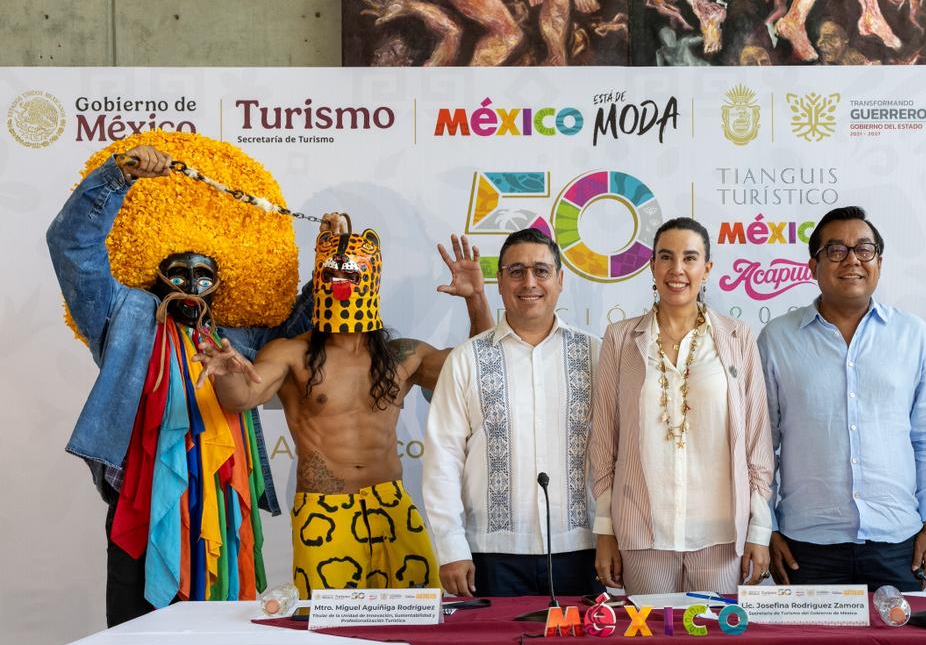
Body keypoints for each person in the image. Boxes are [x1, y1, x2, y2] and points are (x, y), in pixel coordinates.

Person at [48, 137, 314, 626]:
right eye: (179, 272)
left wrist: (335, 256)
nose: (191, 284)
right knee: (136, 633)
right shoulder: (121, 314)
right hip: (142, 503)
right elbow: (72, 247)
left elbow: (299, 328)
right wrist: (118, 177)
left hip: (224, 505)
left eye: (203, 275)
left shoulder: (238, 339)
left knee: (219, 636)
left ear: (222, 282)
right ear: (156, 274)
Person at [195, 220, 492, 597]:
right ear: (318, 280)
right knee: (327, 626)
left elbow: (481, 373)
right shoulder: (292, 354)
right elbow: (240, 398)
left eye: (350, 273)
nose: (340, 283)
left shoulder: (403, 355)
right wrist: (225, 373)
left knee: (416, 617)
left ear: (372, 279)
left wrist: (476, 299)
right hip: (324, 510)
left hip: (392, 506)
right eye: (330, 273)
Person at [758, 205, 926, 592]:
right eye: (836, 250)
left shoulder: (912, 335)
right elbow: (760, 447)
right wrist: (766, 528)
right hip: (805, 546)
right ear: (813, 265)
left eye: (865, 249)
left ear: (879, 261)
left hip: (899, 542)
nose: (852, 261)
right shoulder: (777, 339)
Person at [590, 218, 772, 595]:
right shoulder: (621, 338)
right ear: (652, 267)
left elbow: (757, 441)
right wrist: (605, 530)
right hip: (642, 532)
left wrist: (759, 529)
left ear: (706, 269)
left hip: (721, 536)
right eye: (666, 257)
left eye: (690, 258)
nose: (677, 270)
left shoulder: (738, 337)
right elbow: (604, 439)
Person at [422, 228, 601, 597]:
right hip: (489, 555)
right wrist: (451, 547)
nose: (529, 282)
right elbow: (443, 459)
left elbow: (616, 457)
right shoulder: (466, 359)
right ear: (500, 281)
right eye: (516, 271)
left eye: (541, 270)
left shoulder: (596, 355)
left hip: (582, 549)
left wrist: (613, 535)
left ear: (561, 280)